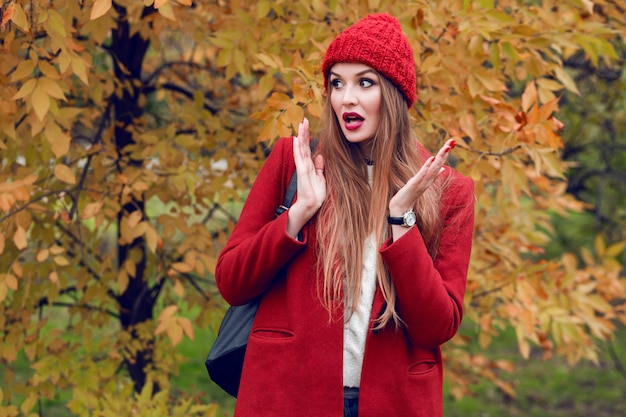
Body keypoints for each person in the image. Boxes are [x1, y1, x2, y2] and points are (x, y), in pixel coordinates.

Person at [215, 13, 475, 417]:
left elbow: (435, 328)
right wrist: (299, 213)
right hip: (288, 395)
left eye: (364, 82)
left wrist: (401, 221)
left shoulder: (448, 191)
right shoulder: (295, 162)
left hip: (393, 402)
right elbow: (233, 282)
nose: (346, 98)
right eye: (337, 83)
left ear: (393, 94)